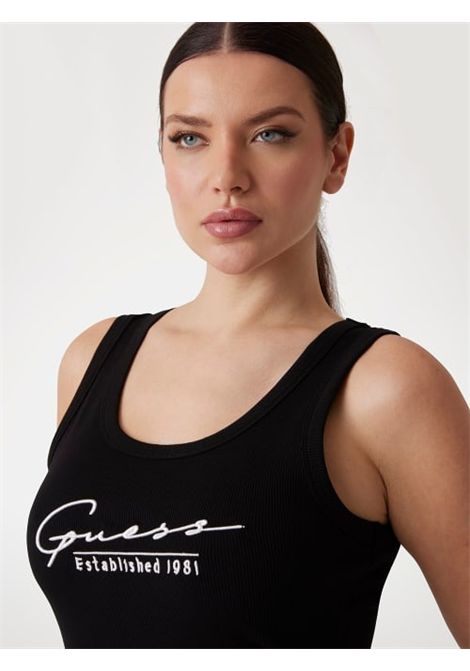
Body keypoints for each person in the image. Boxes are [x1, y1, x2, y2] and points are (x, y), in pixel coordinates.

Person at [26, 22, 469, 649]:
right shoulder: (93, 359)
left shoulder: (386, 389)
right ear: (163, 157)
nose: (227, 175)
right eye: (190, 138)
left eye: (270, 134)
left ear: (337, 155)